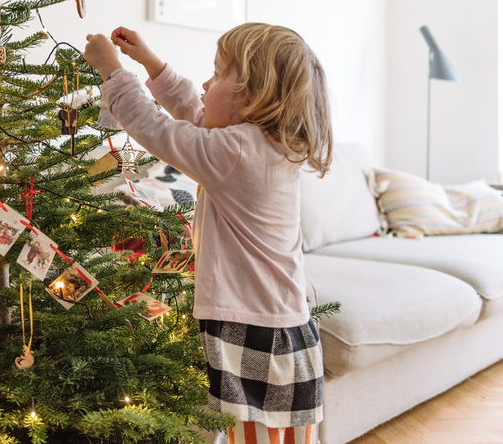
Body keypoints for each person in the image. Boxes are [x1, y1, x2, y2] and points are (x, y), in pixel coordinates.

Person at [83, 23, 332, 444]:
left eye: (217, 74)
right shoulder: (266, 144)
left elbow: (158, 131)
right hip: (278, 324)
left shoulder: (234, 152)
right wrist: (152, 63)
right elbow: (199, 115)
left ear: (252, 96)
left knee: (252, 435)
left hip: (253, 326)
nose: (204, 81)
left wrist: (113, 72)